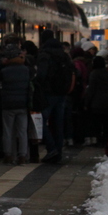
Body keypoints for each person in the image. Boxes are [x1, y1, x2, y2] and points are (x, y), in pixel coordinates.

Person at [35, 30, 74, 164]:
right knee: (58, 124)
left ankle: (52, 149)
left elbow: (41, 75)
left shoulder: (44, 54)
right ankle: (58, 153)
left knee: (40, 121)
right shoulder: (64, 55)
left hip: (48, 93)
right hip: (62, 94)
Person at [0, 43, 32, 164]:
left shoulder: (4, 71)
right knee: (22, 131)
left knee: (8, 131)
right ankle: (22, 156)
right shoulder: (26, 70)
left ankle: (8, 155)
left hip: (7, 104)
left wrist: (1, 64)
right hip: (23, 104)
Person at [83, 56, 108, 146]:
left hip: (96, 101)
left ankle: (98, 140)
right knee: (106, 122)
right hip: (107, 100)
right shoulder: (107, 72)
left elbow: (91, 90)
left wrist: (86, 102)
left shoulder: (94, 73)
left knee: (96, 122)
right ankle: (106, 139)